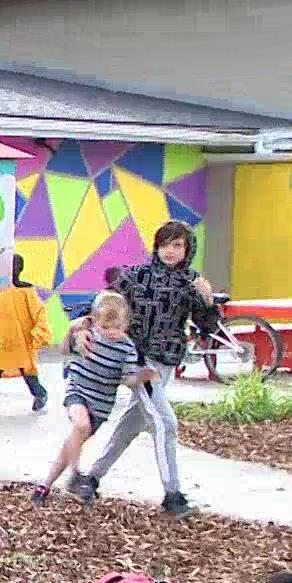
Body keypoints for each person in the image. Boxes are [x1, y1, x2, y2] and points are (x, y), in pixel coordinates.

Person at [68, 221, 219, 516]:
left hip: (166, 365)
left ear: (188, 249)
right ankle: (172, 495)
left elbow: (208, 326)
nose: (170, 251)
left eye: (177, 245)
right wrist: (82, 324)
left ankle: (91, 478)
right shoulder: (137, 276)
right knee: (165, 423)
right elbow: (103, 302)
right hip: (139, 362)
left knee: (131, 425)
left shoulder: (191, 282)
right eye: (165, 244)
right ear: (156, 246)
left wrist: (207, 299)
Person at [32, 291, 154, 507]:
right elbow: (64, 350)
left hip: (101, 405)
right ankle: (76, 475)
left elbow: (128, 379)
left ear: (125, 324)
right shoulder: (89, 334)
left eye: (117, 327)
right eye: (105, 327)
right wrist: (71, 330)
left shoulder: (126, 348)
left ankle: (44, 486)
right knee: (81, 425)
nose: (111, 333)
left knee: (71, 445)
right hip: (79, 391)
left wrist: (142, 377)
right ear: (96, 322)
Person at [0, 254, 52, 414]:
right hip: (2, 336)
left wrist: (38, 331)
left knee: (26, 369)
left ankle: (40, 394)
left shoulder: (26, 290)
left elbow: (39, 311)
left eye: (14, 266)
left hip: (23, 337)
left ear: (20, 269)